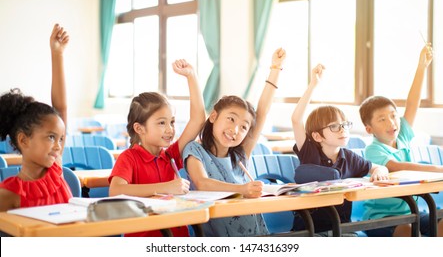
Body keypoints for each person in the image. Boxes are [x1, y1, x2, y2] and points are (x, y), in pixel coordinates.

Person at [182, 48, 286, 237]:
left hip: (256, 236)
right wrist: (242, 189)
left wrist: (276, 68)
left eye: (244, 127)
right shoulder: (194, 150)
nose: (235, 130)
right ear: (213, 116)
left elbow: (262, 112)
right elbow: (202, 183)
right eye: (231, 119)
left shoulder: (240, 154)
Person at [108, 59, 206, 237]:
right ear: (139, 128)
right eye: (162, 123)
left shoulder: (171, 155)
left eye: (172, 122)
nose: (170, 129)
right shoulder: (129, 158)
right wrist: (166, 187)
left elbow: (198, 119)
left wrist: (191, 77)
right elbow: (116, 190)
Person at [290, 64, 389, 236]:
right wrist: (313, 85)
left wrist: (380, 170)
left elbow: (377, 167)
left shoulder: (349, 157)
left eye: (344, 125)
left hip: (342, 230)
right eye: (334, 126)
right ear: (317, 136)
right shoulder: (309, 152)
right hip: (309, 232)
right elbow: (296, 119)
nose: (343, 130)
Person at [359, 43, 443, 237]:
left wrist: (422, 67)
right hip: (379, 219)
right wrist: (439, 169)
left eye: (394, 115)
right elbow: (399, 167)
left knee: (438, 220)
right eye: (382, 119)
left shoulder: (402, 135)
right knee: (407, 229)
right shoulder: (373, 150)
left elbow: (413, 102)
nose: (391, 122)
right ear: (369, 129)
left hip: (412, 213)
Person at [0, 23, 71, 212]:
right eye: (50, 137)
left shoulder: (55, 170)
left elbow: (61, 108)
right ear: (23, 140)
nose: (58, 145)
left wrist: (58, 54)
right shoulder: (9, 195)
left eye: (61, 138)